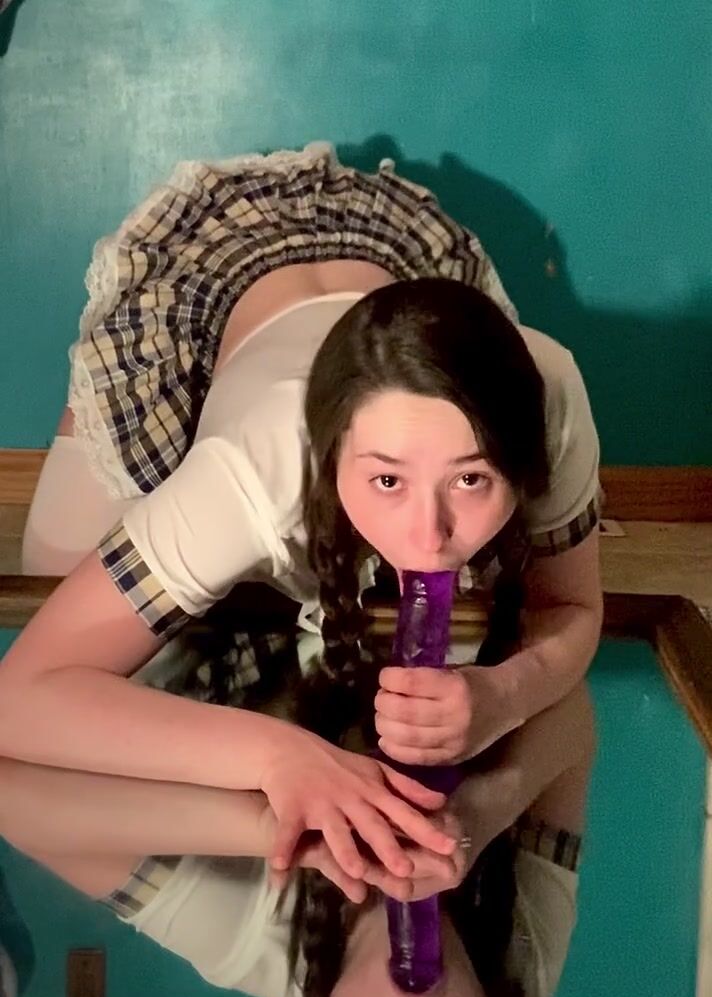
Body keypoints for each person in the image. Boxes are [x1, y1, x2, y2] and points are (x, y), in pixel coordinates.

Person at [0, 140, 602, 886]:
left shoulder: (548, 393)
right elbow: (18, 700)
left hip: (380, 272)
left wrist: (503, 698)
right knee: (55, 593)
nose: (429, 534)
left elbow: (572, 605)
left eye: (471, 479)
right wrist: (276, 756)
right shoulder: (253, 470)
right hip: (217, 308)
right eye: (387, 481)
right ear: (331, 455)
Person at [0, 679, 595, 997]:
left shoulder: (254, 943)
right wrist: (482, 811)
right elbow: (574, 715)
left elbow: (12, 794)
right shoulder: (524, 967)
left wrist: (275, 830)